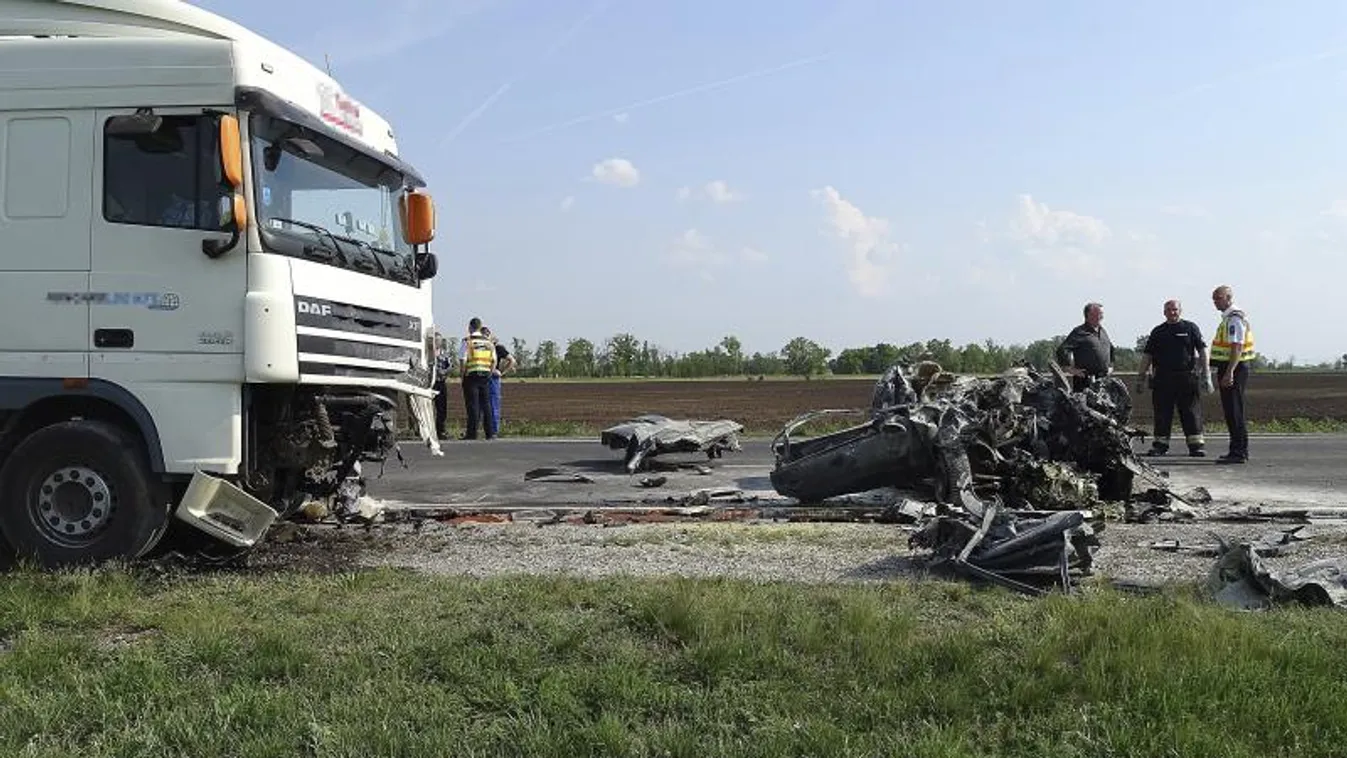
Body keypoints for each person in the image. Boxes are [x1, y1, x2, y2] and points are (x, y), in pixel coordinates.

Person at [1135, 299, 1212, 457]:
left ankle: (1196, 446)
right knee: (1162, 413)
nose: (1172, 312)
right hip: (1163, 379)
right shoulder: (1158, 331)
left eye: (1175, 309)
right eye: (1169, 310)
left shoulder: (1190, 328)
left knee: (1191, 412)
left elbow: (1202, 350)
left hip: (1187, 378)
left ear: (1180, 311)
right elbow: (1147, 355)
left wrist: (1207, 375)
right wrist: (1140, 377)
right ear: (1164, 312)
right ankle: (1160, 446)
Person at [1210, 285, 1256, 464]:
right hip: (1231, 367)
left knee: (1234, 410)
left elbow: (1237, 346)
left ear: (1228, 298)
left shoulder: (1234, 319)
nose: (1215, 302)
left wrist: (1229, 372)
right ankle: (1236, 449)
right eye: (1214, 299)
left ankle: (1238, 451)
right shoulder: (1228, 318)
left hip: (1234, 368)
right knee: (1232, 410)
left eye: (1218, 298)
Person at [1055, 302, 1115, 392]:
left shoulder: (1102, 331)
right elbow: (1062, 349)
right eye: (1099, 314)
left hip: (1103, 380)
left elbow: (1111, 349)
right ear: (1089, 315)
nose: (1101, 317)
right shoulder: (1079, 332)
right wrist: (1070, 369)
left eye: (1102, 314)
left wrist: (1110, 366)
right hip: (1085, 381)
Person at [458, 317, 497, 440]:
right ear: (480, 327)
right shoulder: (488, 342)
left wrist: (462, 375)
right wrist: (489, 373)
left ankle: (472, 434)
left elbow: (462, 360)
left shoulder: (467, 341)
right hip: (485, 376)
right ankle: (490, 434)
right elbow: (494, 360)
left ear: (470, 327)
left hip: (471, 376)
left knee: (473, 406)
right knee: (486, 405)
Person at [479, 326, 517, 434]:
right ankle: (487, 431)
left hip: (491, 378)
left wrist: (501, 372)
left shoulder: (497, 348)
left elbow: (512, 360)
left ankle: (493, 431)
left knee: (492, 405)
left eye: (487, 335)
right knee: (482, 406)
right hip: (482, 377)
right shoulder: (482, 347)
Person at [431, 331, 452, 439]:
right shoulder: (427, 354)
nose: (437, 342)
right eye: (435, 340)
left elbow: (450, 367)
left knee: (442, 409)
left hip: (441, 383)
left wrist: (444, 372)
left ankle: (441, 431)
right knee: (428, 408)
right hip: (429, 384)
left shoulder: (445, 353)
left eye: (439, 340)